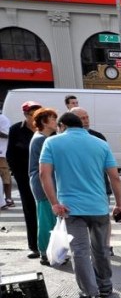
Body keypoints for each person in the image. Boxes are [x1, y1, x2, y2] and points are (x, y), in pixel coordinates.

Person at [39, 112, 121, 298]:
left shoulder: (52, 143)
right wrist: (119, 204)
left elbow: (44, 174)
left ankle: (88, 295)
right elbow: (115, 177)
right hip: (99, 206)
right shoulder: (100, 144)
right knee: (101, 248)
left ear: (62, 125)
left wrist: (54, 203)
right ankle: (105, 286)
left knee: (80, 251)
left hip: (71, 207)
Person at [71, 107, 115, 254]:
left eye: (87, 117)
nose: (86, 120)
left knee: (103, 219)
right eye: (82, 118)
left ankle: (105, 246)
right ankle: (88, 247)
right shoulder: (65, 140)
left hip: (100, 186)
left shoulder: (98, 137)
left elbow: (109, 167)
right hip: (76, 190)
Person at [7, 101, 42, 258]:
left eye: (37, 112)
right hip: (26, 177)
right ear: (25, 115)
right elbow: (11, 155)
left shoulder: (46, 128)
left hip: (46, 176)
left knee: (48, 211)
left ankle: (51, 245)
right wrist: (20, 177)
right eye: (30, 114)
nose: (34, 116)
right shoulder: (16, 129)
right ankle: (34, 246)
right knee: (30, 210)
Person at [28, 108, 58, 265]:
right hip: (43, 184)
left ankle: (48, 251)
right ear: (44, 122)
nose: (55, 122)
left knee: (48, 218)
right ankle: (45, 253)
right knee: (46, 219)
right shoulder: (41, 139)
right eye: (52, 119)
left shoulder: (42, 138)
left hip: (43, 183)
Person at [0, 110, 12, 210]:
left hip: (1, 152)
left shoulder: (3, 119)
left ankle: (8, 199)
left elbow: (8, 134)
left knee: (5, 176)